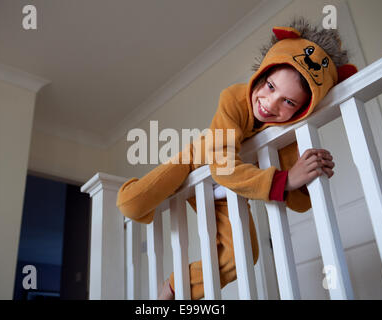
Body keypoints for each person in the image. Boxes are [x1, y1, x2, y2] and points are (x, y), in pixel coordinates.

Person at [116, 18, 357, 300]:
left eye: (289, 102)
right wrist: (286, 179)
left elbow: (296, 202)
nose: (270, 103)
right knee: (130, 204)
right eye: (269, 86)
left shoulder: (284, 136)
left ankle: (175, 287)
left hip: (230, 190)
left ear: (302, 110)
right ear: (262, 74)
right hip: (198, 161)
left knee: (243, 254)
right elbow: (223, 166)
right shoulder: (234, 98)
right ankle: (148, 194)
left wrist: (308, 177)